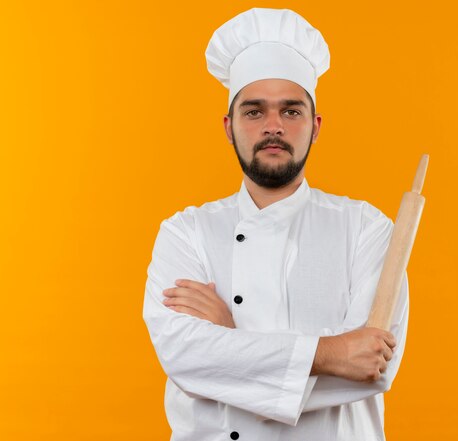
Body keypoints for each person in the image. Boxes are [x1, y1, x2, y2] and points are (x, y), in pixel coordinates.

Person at [143, 8, 409, 441]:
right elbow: (184, 356)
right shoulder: (184, 232)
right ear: (229, 128)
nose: (273, 127)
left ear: (315, 126)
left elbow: (372, 368)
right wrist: (332, 350)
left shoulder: (368, 229)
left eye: (291, 111)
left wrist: (230, 339)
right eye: (254, 112)